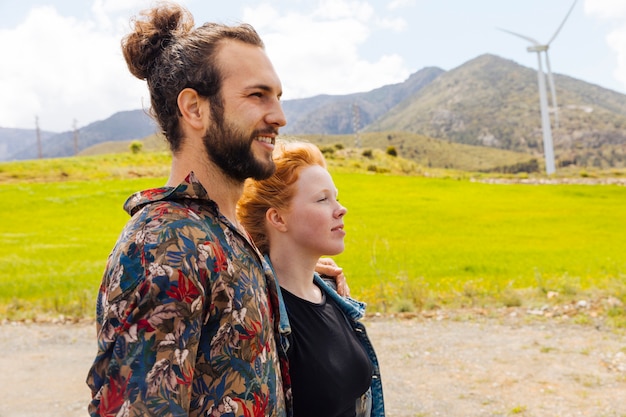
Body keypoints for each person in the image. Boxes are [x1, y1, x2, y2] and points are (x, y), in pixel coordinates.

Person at [85, 3, 347, 417]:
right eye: (257, 95)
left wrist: (294, 280)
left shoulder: (221, 233)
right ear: (194, 109)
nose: (278, 117)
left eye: (278, 97)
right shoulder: (164, 244)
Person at [237, 141, 385, 417]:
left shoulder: (331, 293)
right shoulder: (259, 313)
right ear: (278, 218)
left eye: (336, 198)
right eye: (322, 199)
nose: (341, 209)